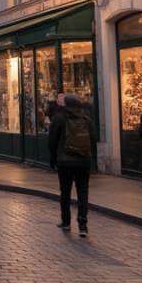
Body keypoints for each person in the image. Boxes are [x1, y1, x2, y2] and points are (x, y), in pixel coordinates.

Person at [49, 93, 96, 237]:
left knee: (65, 191)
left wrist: (53, 157)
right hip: (83, 161)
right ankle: (83, 224)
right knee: (83, 192)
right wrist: (90, 159)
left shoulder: (59, 118)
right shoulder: (86, 119)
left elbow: (52, 140)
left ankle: (66, 221)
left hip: (65, 161)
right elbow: (93, 140)